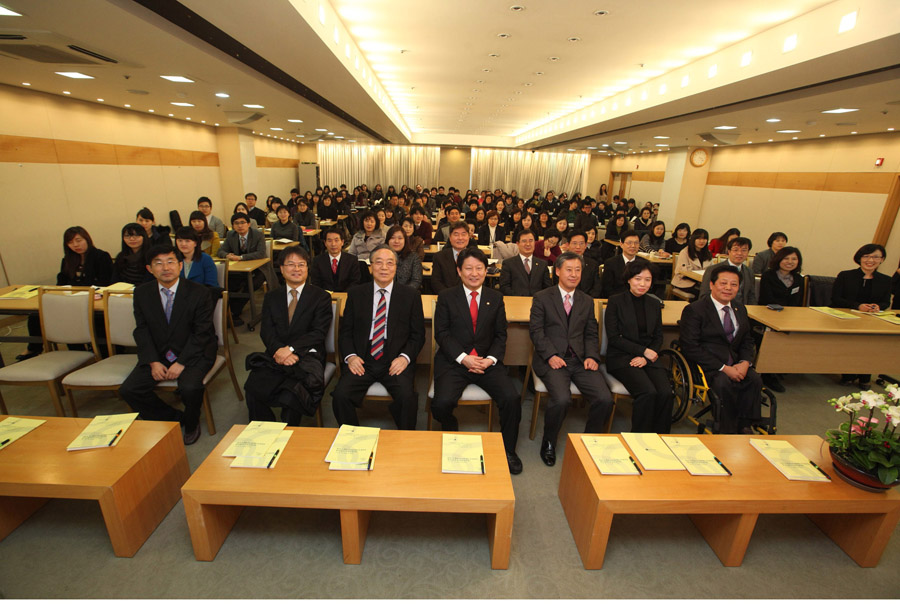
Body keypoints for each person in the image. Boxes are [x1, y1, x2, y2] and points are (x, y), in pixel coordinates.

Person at [431, 247, 523, 474]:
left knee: (512, 399)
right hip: (455, 361)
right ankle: (450, 425)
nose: (474, 273)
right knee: (441, 404)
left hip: (486, 362)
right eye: (469, 268)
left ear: (486, 270)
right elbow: (442, 334)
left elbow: (501, 335)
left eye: (479, 268)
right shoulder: (446, 297)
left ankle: (508, 450)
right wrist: (463, 359)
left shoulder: (495, 298)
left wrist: (490, 359)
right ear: (459, 271)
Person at [119, 244, 217, 445]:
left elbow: (202, 333)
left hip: (194, 352)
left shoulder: (199, 292)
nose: (165, 268)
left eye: (170, 262)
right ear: (150, 269)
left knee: (190, 387)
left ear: (180, 266)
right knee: (129, 390)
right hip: (159, 353)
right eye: (159, 263)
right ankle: (174, 418)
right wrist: (153, 361)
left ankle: (192, 422)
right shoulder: (142, 293)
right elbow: (142, 330)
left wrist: (181, 362)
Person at [529, 252, 613, 466]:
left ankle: (590, 442)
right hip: (552, 359)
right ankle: (549, 442)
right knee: (562, 399)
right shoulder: (542, 297)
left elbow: (591, 333)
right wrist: (551, 355)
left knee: (604, 398)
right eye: (569, 269)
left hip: (580, 360)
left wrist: (592, 356)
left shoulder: (586, 300)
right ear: (557, 271)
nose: (574, 274)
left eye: (578, 270)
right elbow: (537, 332)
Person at [332, 246, 425, 430]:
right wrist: (351, 357)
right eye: (379, 262)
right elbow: (346, 332)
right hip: (362, 357)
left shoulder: (410, 295)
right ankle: (352, 436)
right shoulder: (356, 294)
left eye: (390, 263)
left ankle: (404, 438)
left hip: (395, 356)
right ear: (371, 266)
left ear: (396, 267)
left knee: (407, 397)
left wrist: (404, 358)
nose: (384, 267)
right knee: (340, 396)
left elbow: (418, 335)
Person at [245, 246, 333, 425]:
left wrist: (291, 349)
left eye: (301, 264)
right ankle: (263, 430)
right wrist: (280, 350)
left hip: (308, 354)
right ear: (282, 269)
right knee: (253, 388)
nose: (297, 269)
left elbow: (318, 333)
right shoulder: (272, 297)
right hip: (277, 353)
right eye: (291, 264)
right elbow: (267, 331)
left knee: (292, 395)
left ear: (307, 268)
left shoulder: (321, 297)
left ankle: (289, 434)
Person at [679, 266, 762, 434]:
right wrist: (724, 368)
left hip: (735, 361)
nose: (728, 288)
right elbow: (690, 346)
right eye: (723, 283)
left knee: (754, 379)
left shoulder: (740, 308)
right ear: (711, 285)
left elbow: (746, 340)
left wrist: (745, 362)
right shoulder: (695, 310)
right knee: (723, 382)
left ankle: (745, 425)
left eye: (734, 284)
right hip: (708, 364)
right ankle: (726, 428)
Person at [19, 227, 114, 361]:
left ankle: (95, 350)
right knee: (35, 315)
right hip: (70, 300)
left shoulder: (101, 256)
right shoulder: (68, 259)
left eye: (78, 240)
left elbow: (104, 282)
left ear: (87, 239)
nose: (75, 245)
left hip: (92, 300)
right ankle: (35, 348)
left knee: (85, 317)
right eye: (70, 242)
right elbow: (61, 282)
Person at [604, 259, 673, 433]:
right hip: (621, 357)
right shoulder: (615, 301)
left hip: (648, 357)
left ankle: (660, 437)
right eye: (638, 279)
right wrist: (642, 351)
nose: (643, 284)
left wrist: (646, 356)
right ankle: (639, 439)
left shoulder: (654, 304)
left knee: (666, 393)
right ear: (629, 279)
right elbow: (614, 338)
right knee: (647, 392)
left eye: (647, 280)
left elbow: (658, 336)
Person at [832, 243, 892, 390]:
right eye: (866, 256)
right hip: (846, 318)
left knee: (871, 345)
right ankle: (848, 374)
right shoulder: (845, 275)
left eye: (875, 257)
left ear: (882, 259)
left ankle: (865, 375)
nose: (870, 260)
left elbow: (885, 302)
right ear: (859, 258)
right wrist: (857, 306)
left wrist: (878, 307)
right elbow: (835, 299)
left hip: (871, 320)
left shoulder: (886, 280)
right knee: (852, 344)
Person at [217, 212, 266, 325]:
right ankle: (227, 312)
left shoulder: (257, 234)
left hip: (259, 268)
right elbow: (220, 251)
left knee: (250, 285)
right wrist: (227, 255)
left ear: (248, 224)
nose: (240, 226)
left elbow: (261, 253)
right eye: (236, 223)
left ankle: (233, 312)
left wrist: (241, 257)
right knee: (229, 283)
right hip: (239, 269)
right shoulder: (231, 235)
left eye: (242, 222)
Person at [699, 237, 756, 305]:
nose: (739, 253)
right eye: (735, 250)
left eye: (744, 250)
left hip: (742, 309)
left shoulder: (749, 272)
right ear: (729, 251)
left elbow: (751, 296)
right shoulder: (712, 269)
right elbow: (704, 295)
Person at [499, 229, 552, 296]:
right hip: (515, 300)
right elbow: (504, 287)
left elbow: (547, 288)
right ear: (518, 244)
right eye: (524, 241)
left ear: (535, 243)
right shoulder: (508, 263)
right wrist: (520, 298)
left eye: (531, 241)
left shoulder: (542, 264)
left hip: (538, 301)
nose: (528, 244)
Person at [310, 225, 361, 292]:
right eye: (329, 241)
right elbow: (315, 283)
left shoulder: (352, 260)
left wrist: (344, 295)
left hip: (346, 295)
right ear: (325, 243)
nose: (333, 244)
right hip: (324, 296)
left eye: (336, 240)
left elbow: (355, 282)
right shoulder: (317, 261)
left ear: (342, 242)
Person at [672, 229, 714, 299]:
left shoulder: (708, 253)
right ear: (693, 239)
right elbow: (681, 272)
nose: (702, 241)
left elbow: (711, 269)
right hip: (685, 282)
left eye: (704, 239)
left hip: (702, 282)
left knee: (713, 292)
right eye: (699, 239)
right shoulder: (685, 252)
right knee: (704, 293)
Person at [431, 221, 470, 293]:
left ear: (468, 237)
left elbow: (479, 280)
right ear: (450, 237)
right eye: (456, 234)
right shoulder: (439, 257)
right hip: (445, 296)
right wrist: (448, 296)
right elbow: (436, 282)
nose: (460, 238)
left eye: (463, 234)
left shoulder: (475, 257)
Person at [601, 230, 640, 298]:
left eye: (636, 243)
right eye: (629, 243)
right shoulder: (611, 263)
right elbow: (607, 288)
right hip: (617, 299)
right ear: (621, 244)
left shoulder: (643, 264)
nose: (633, 246)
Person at [563, 231, 602, 297]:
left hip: (587, 299)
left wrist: (587, 300)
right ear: (568, 245)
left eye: (581, 243)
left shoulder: (593, 264)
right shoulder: (561, 263)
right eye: (574, 243)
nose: (578, 247)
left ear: (585, 245)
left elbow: (597, 287)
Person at [385, 225, 423, 291]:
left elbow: (416, 281)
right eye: (392, 238)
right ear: (387, 240)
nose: (396, 241)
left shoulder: (414, 257)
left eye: (400, 238)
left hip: (407, 292)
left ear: (405, 240)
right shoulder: (382, 256)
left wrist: (403, 292)